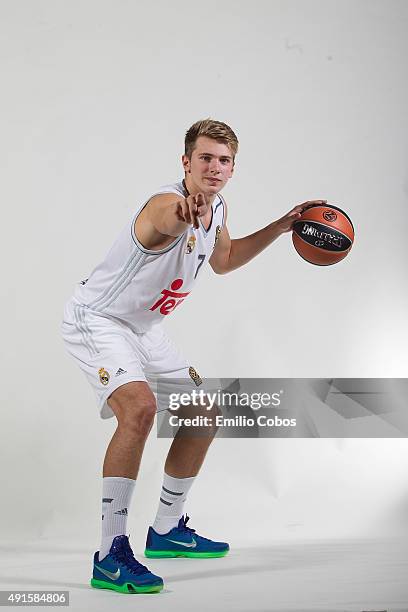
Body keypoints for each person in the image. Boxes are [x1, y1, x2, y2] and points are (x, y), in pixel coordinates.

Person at [61, 118, 326, 594]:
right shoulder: (166, 204)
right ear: (186, 162)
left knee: (204, 412)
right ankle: (108, 554)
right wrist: (184, 213)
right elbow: (165, 219)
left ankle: (166, 528)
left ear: (232, 168)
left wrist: (284, 226)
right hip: (98, 319)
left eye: (224, 161)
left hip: (145, 328)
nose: (215, 167)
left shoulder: (218, 208)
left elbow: (223, 260)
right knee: (139, 410)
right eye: (205, 158)